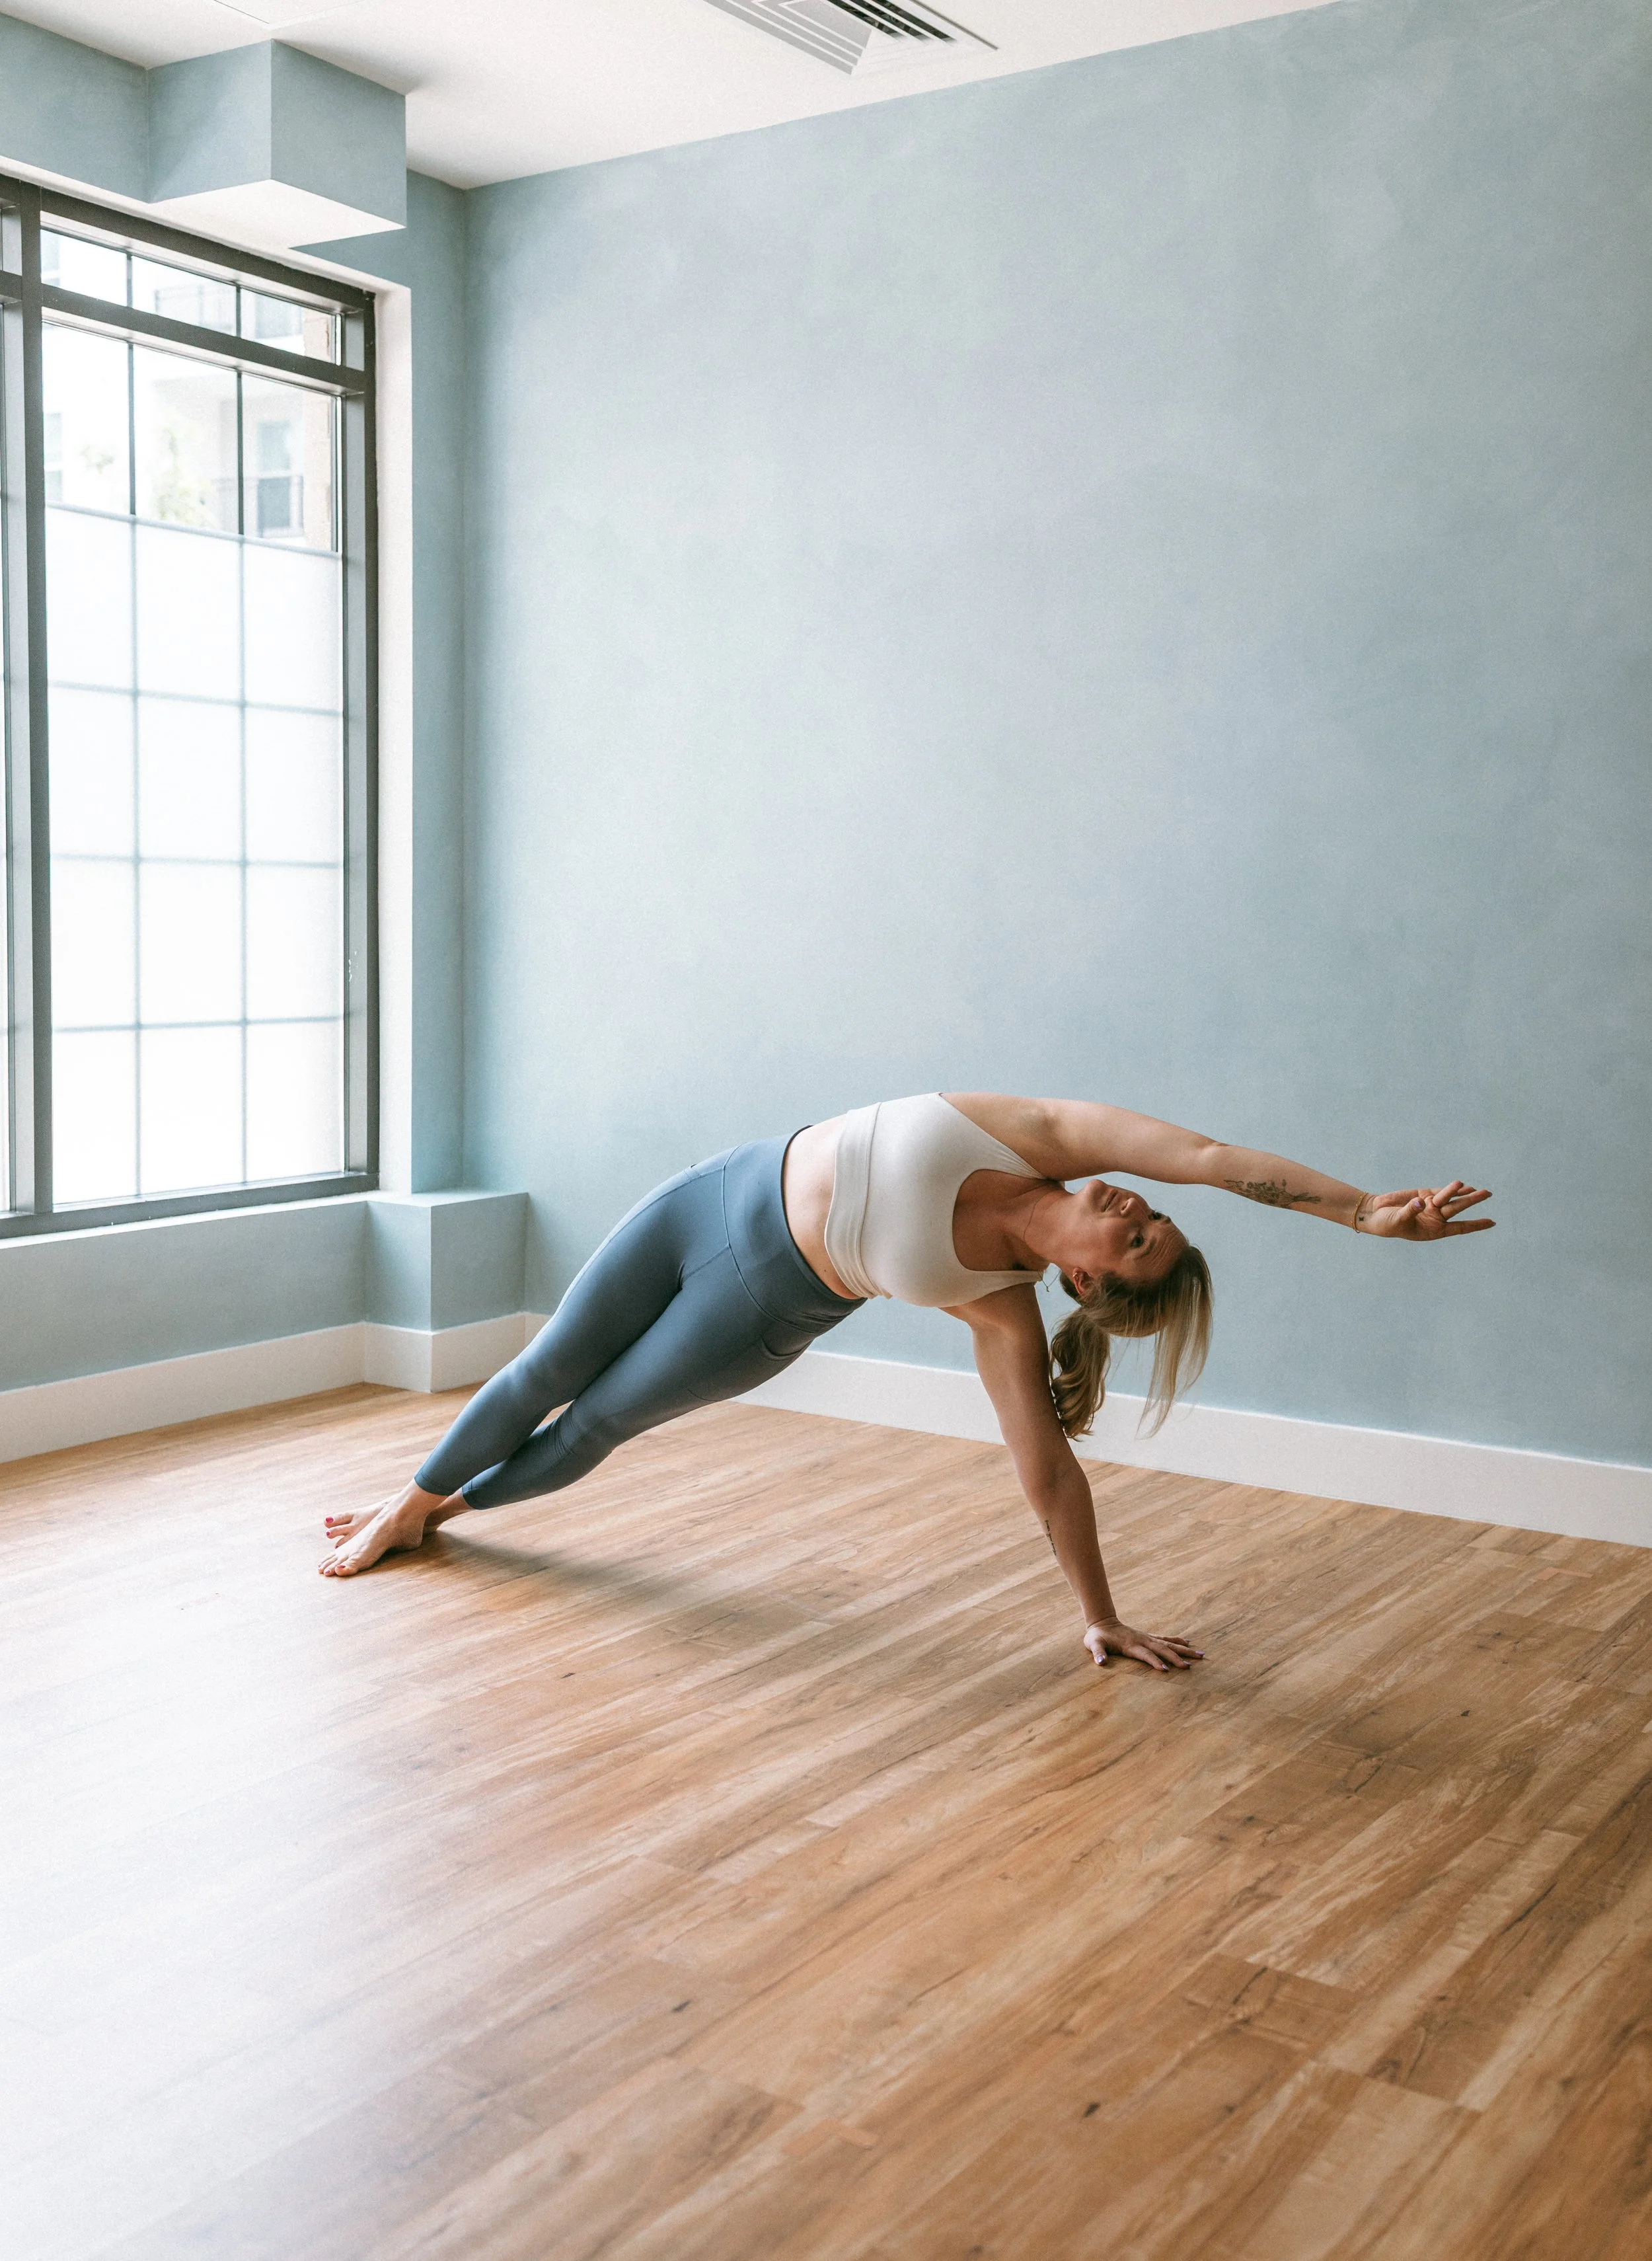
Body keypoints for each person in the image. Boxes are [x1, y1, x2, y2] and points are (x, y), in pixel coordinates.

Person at [319, 1093, 1493, 1671]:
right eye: (1149, 1216)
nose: (1139, 1209)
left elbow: (1047, 1472)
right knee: (547, 1368)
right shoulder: (1035, 1131)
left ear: (1087, 1291)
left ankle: (453, 1511)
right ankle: (412, 1502)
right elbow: (1218, 1161)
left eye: (1137, 1245)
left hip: (763, 1308)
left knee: (605, 1421)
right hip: (709, 1201)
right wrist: (1362, 1213)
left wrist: (1099, 1618)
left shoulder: (1000, 1308)